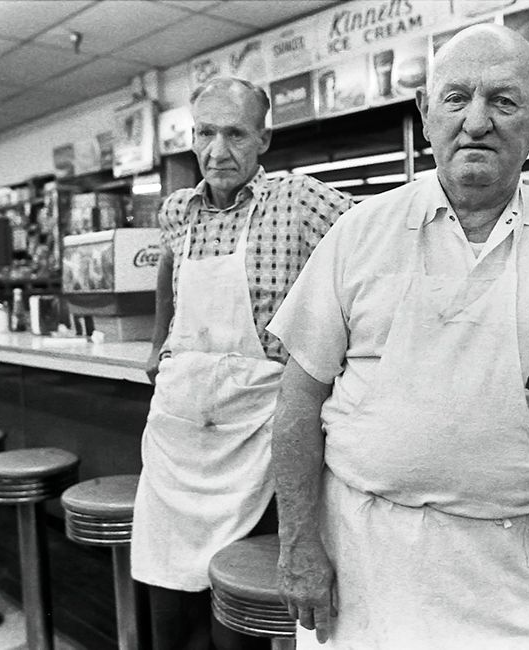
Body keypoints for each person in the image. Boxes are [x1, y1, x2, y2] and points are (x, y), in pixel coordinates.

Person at [266, 24, 529, 649]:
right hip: (365, 554)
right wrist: (298, 542)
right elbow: (298, 399)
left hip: (512, 560)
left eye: (504, 100)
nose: (477, 120)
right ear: (425, 114)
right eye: (456, 97)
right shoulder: (360, 231)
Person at [131, 77, 353, 650]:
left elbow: (371, 248)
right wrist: (158, 341)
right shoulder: (179, 209)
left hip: (256, 439)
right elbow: (166, 270)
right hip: (177, 436)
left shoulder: (297, 200)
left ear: (263, 138)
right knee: (169, 615)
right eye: (205, 133)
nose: (216, 150)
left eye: (234, 134)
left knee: (235, 622)